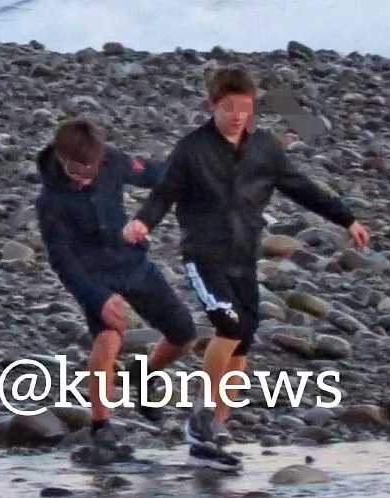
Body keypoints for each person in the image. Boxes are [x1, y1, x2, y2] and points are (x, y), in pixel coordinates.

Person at [122, 66, 371, 462]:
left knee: (242, 343)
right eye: (229, 107)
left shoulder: (264, 148)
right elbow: (164, 193)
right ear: (213, 105)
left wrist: (346, 219)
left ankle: (214, 430)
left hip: (243, 257)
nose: (238, 115)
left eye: (246, 107)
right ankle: (200, 419)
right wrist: (142, 222)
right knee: (229, 326)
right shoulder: (192, 149)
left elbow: (301, 187)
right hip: (204, 255)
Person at [35, 118, 201, 464]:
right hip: (92, 277)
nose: (85, 178)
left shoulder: (112, 159)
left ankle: (145, 373)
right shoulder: (50, 201)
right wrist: (97, 297)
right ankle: (101, 426)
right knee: (109, 340)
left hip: (132, 263)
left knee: (184, 334)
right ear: (62, 158)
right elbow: (62, 262)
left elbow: (154, 173)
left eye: (91, 170)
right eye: (77, 171)